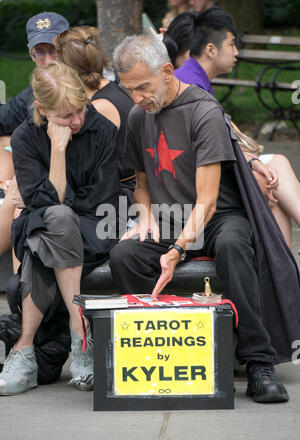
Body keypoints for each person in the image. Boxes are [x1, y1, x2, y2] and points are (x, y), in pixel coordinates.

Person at [110, 34, 300, 403]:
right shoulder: (138, 115)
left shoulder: (203, 111)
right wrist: (146, 216)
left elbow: (208, 201)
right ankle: (162, 353)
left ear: (167, 71)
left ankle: (258, 360)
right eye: (129, 90)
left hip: (216, 217)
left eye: (142, 87)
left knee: (232, 245)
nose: (136, 98)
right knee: (124, 256)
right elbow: (142, 185)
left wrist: (178, 249)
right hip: (168, 217)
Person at [0, 61, 121, 395]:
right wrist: (58, 150)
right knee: (56, 221)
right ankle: (79, 330)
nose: (77, 121)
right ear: (42, 109)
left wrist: (59, 209)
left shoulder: (103, 131)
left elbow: (101, 199)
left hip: (96, 227)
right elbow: (45, 204)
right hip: (47, 227)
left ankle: (23, 351)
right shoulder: (26, 137)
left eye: (80, 110)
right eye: (66, 116)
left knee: (51, 233)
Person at [174, 6, 300, 248]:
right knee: (276, 175)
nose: (237, 52)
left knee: (275, 181)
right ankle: (283, 281)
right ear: (211, 49)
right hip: (202, 180)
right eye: (231, 44)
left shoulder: (192, 77)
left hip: (212, 169)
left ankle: (284, 282)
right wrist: (252, 163)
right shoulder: (190, 84)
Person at [0, 12, 70, 263]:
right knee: (5, 142)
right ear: (30, 52)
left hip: (75, 187)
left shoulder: (80, 86)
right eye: (40, 52)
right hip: (39, 179)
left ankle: (21, 293)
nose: (48, 60)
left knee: (19, 201)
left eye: (54, 50)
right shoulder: (34, 90)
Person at [53, 25, 135, 201]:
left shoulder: (98, 108)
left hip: (118, 198)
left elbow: (84, 172)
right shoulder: (112, 90)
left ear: (63, 67)